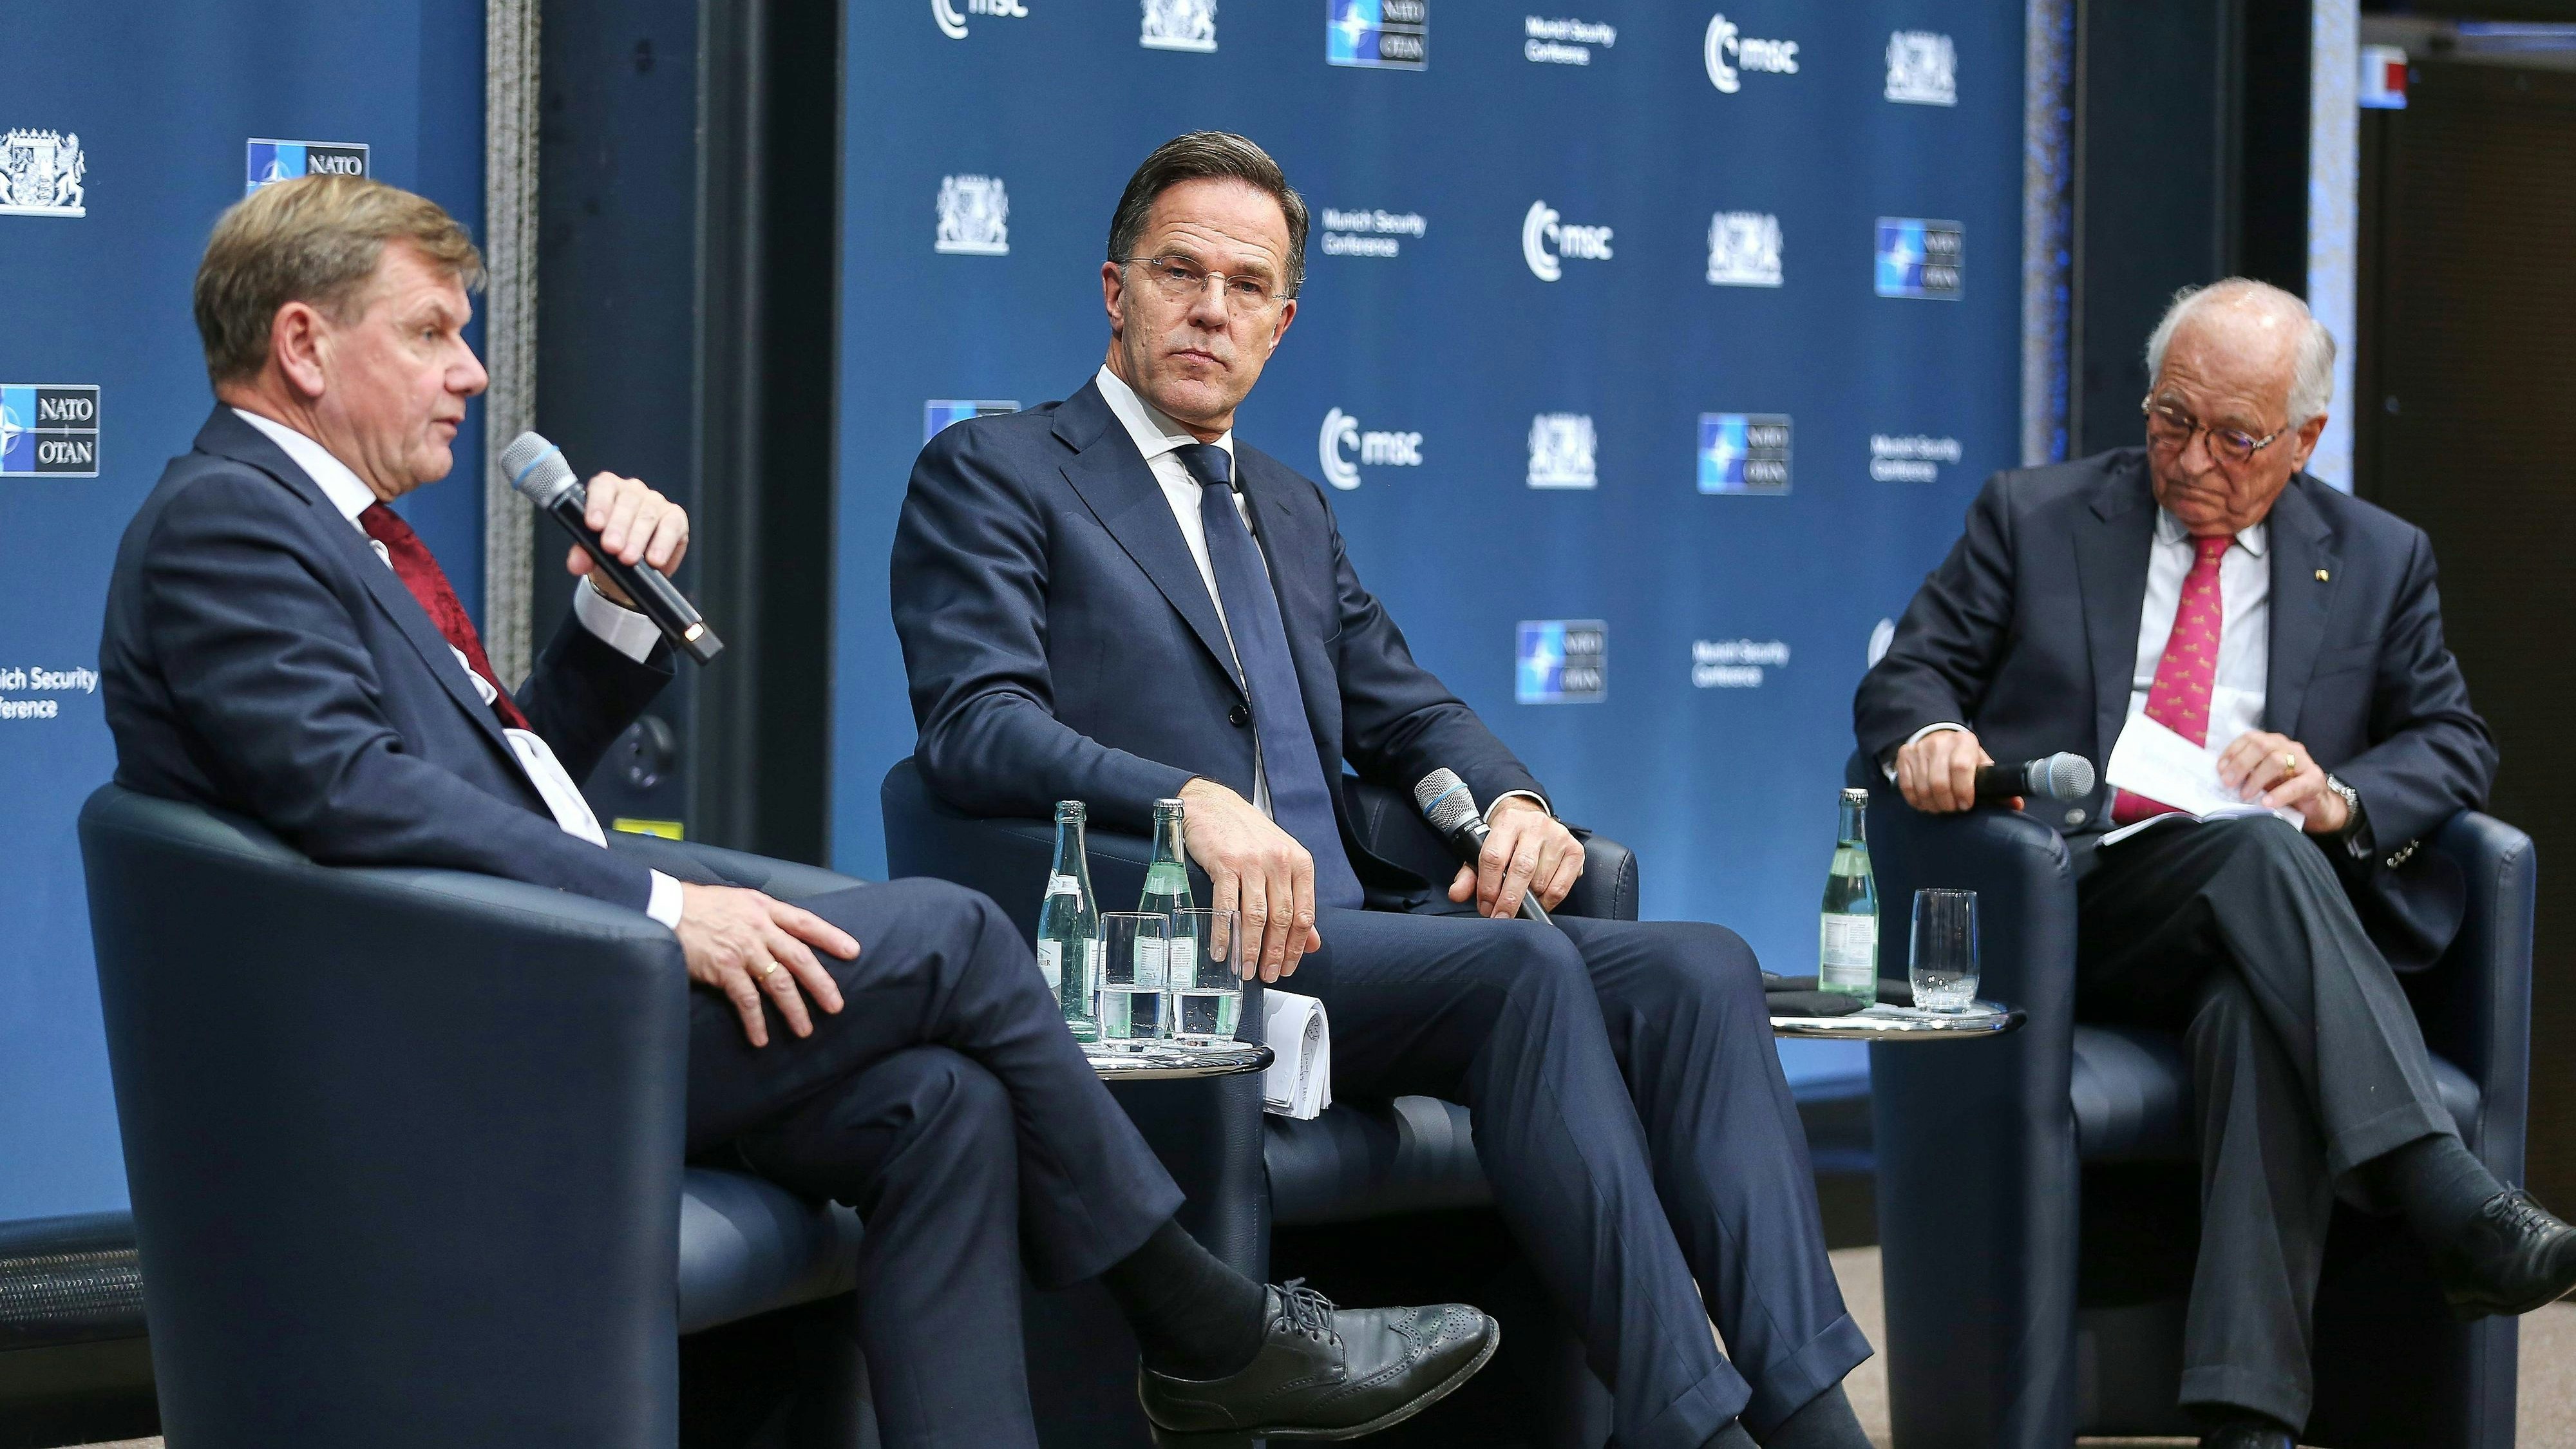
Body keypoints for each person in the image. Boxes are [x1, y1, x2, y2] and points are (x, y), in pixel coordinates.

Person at [99, 173, 1495, 1449]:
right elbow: (355, 799)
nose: (471, 374)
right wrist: (664, 906)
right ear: (300, 346)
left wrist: (607, 624)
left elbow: (487, 788)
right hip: (467, 1032)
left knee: (939, 1109)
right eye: (431, 336)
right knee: (953, 935)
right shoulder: (230, 523)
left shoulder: (334, 532)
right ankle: (1205, 1324)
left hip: (531, 978)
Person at [891, 131, 1873, 1449]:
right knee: (1521, 976)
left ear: (1281, 324)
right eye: (1180, 272)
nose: (1210, 309)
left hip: (1362, 941)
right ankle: (1686, 1426)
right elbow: (973, 729)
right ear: (1114, 291)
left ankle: (1813, 1419)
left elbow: (1403, 705)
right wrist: (1182, 800)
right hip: (1188, 948)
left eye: (1246, 288)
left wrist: (1510, 803)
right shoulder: (998, 471)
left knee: (1698, 965)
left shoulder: (1286, 508)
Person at [1854, 278, 2575, 1449]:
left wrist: (2341, 796)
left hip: (2266, 933)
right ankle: (2444, 1190)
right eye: (2169, 418)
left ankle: (2248, 1422)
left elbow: (2455, 739)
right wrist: (1935, 733)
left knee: (2258, 1008)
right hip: (2075, 903)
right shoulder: (2033, 517)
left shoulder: (2380, 558)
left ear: (2304, 441)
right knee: (2251, 856)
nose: (2192, 459)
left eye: (2235, 438)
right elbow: (1904, 679)